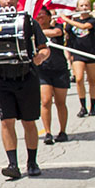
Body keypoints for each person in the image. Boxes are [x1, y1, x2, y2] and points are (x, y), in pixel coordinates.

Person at [0, 0, 49, 180]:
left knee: (29, 122)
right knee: (6, 122)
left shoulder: (28, 21)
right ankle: (12, 163)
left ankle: (32, 161)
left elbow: (44, 48)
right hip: (2, 78)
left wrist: (40, 57)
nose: (8, 1)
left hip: (26, 76)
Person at [59, 0, 95, 117]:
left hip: (91, 53)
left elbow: (84, 27)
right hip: (78, 53)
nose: (84, 7)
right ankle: (83, 106)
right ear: (77, 8)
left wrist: (67, 19)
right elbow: (66, 33)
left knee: (92, 80)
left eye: (86, 5)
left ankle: (93, 106)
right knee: (79, 79)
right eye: (82, 5)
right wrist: (62, 22)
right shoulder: (73, 21)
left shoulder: (93, 19)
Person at [35, 9, 70, 145]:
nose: (40, 16)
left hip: (59, 68)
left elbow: (56, 33)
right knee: (46, 101)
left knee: (61, 102)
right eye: (38, 14)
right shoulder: (34, 33)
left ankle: (62, 131)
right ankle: (48, 132)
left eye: (43, 13)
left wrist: (37, 32)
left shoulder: (57, 27)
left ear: (49, 16)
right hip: (43, 70)